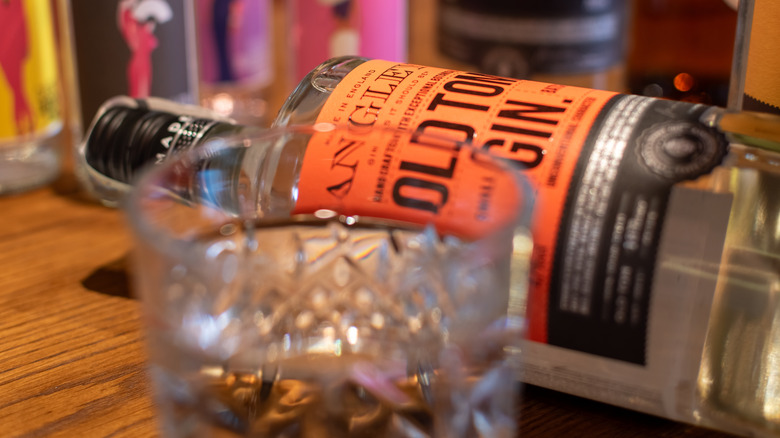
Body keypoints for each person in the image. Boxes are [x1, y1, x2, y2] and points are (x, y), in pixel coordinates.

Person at [117, 0, 173, 97]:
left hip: (145, 65)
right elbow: (123, 14)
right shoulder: (133, 30)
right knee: (138, 95)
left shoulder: (145, 32)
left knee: (144, 95)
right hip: (138, 65)